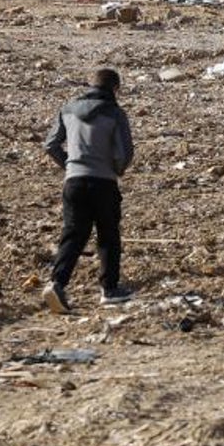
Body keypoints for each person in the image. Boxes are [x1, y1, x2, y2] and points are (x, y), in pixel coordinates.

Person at [41, 67, 135, 314]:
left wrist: (69, 164)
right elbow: (124, 154)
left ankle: (57, 283)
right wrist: (115, 169)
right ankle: (109, 290)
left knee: (73, 234)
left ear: (90, 85)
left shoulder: (68, 108)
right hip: (103, 182)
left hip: (73, 182)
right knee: (108, 235)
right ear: (115, 89)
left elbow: (50, 145)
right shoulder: (115, 113)